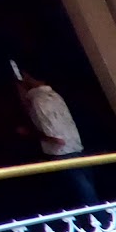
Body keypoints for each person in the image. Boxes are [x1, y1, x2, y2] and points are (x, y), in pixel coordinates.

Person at [18, 73, 97, 207]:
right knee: (87, 188)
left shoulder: (38, 100)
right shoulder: (54, 95)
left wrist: (29, 133)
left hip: (61, 152)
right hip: (75, 145)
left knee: (83, 192)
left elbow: (52, 136)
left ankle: (97, 220)